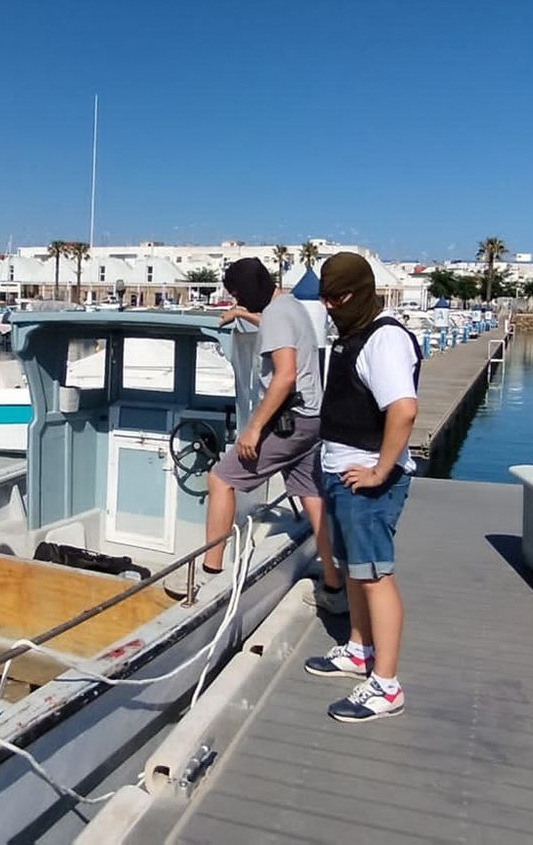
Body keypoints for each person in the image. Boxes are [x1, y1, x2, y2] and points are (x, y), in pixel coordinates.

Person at [164, 257, 342, 612]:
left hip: (287, 421)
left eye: (238, 294)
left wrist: (255, 429)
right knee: (311, 496)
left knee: (220, 479)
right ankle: (335, 587)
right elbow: (277, 331)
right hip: (312, 419)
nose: (238, 299)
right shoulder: (290, 306)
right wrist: (243, 315)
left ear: (248, 287)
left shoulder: (276, 314)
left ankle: (209, 572)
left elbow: (285, 375)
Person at [303, 252, 421, 722]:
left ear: (360, 293)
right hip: (340, 471)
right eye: (326, 299)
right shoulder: (354, 335)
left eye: (338, 298)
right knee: (354, 569)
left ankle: (387, 686)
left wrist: (379, 472)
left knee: (375, 575)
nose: (330, 307)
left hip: (367, 478)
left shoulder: (384, 338)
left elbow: (403, 409)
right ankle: (359, 648)